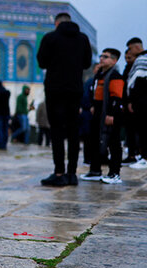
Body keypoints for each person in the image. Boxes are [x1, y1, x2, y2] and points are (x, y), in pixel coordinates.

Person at [37, 12, 92, 186]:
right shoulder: (83, 39)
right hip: (75, 90)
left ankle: (59, 173)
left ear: (56, 23)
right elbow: (87, 63)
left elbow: (41, 62)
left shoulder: (50, 38)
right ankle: (72, 173)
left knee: (57, 132)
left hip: (55, 90)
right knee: (73, 132)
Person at [80, 48, 124, 184]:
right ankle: (95, 170)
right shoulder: (100, 75)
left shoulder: (115, 76)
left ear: (114, 60)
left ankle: (114, 173)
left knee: (113, 143)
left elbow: (117, 97)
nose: (102, 59)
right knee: (94, 141)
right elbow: (94, 93)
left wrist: (111, 114)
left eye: (106, 57)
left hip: (109, 114)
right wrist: (93, 106)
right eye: (101, 56)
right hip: (98, 113)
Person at [125, 37, 147, 169]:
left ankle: (145, 158)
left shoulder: (142, 59)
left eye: (130, 48)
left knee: (144, 129)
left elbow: (138, 81)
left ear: (137, 47)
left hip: (142, 100)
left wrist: (132, 100)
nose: (129, 51)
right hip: (140, 100)